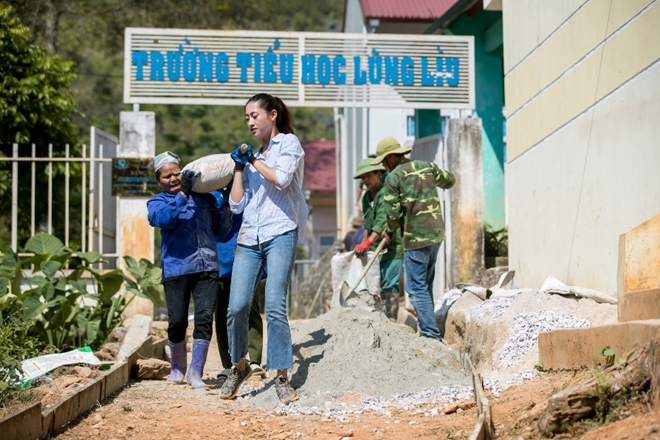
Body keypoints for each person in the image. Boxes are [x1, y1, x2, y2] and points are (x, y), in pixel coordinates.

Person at [220, 93, 307, 404]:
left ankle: (281, 375)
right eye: (246, 118)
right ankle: (240, 366)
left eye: (254, 115)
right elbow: (236, 204)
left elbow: (281, 178)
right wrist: (239, 168)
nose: (250, 122)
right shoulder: (253, 157)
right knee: (237, 307)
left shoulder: (288, 144)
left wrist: (253, 162)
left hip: (281, 231)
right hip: (250, 236)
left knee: (275, 305)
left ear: (272, 115)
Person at [147, 151, 223, 388]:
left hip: (207, 266)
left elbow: (220, 228)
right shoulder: (157, 203)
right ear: (159, 181)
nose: (173, 179)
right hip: (177, 268)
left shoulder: (205, 199)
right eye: (166, 176)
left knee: (204, 319)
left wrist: (225, 201)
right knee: (177, 320)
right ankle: (177, 368)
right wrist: (182, 196)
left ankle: (195, 373)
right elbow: (165, 220)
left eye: (176, 173)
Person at [371, 137, 455, 339]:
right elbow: (449, 180)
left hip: (415, 238)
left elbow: (393, 214)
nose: (384, 166)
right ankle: (429, 328)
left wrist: (389, 231)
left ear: (391, 157)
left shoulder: (393, 178)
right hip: (435, 234)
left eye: (384, 161)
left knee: (416, 287)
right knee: (425, 284)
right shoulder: (427, 167)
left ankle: (430, 334)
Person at [212, 183, 266, 384]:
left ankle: (255, 360)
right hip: (222, 261)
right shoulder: (213, 197)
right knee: (223, 315)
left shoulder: (252, 192)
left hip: (250, 258)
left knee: (250, 310)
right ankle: (229, 364)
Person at [353, 158, 403, 322]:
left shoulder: (386, 193)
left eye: (369, 175)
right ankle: (378, 320)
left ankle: (391, 320)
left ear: (379, 174)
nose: (366, 180)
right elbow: (368, 224)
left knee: (390, 285)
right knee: (375, 286)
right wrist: (364, 243)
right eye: (363, 177)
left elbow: (382, 222)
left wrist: (368, 242)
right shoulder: (366, 197)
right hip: (375, 250)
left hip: (391, 247)